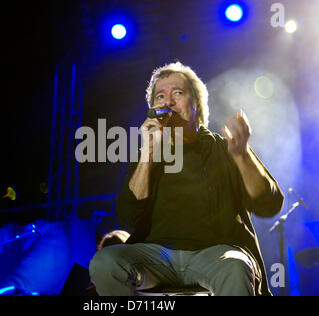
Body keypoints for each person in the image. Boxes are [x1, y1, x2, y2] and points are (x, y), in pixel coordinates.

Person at [89, 62, 284, 296]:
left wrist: (242, 156)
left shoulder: (225, 148)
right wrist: (149, 152)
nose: (168, 102)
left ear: (197, 105)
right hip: (157, 258)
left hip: (214, 255)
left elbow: (269, 204)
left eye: (177, 93)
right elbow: (128, 214)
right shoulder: (149, 155)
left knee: (236, 265)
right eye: (160, 96)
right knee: (105, 262)